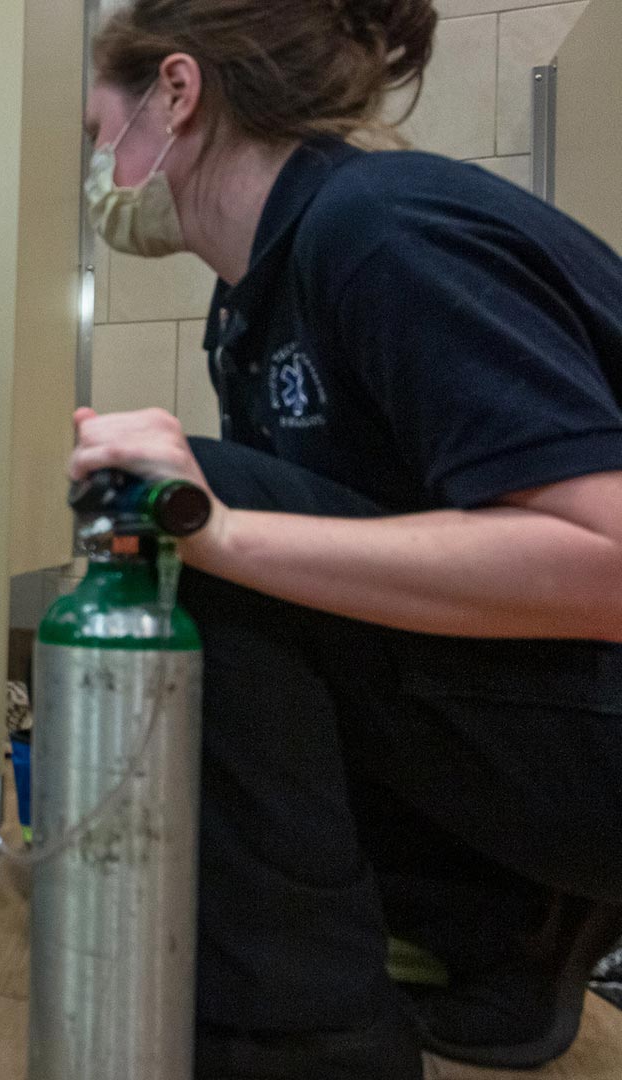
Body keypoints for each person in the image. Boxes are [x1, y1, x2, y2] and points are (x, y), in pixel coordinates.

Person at [71, 1, 622, 1076]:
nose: (101, 167)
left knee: (202, 518)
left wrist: (215, 527)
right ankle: (488, 928)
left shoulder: (378, 227)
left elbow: (605, 558)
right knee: (234, 541)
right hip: (551, 731)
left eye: (103, 132)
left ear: (177, 94)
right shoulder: (254, 301)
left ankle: (300, 1043)